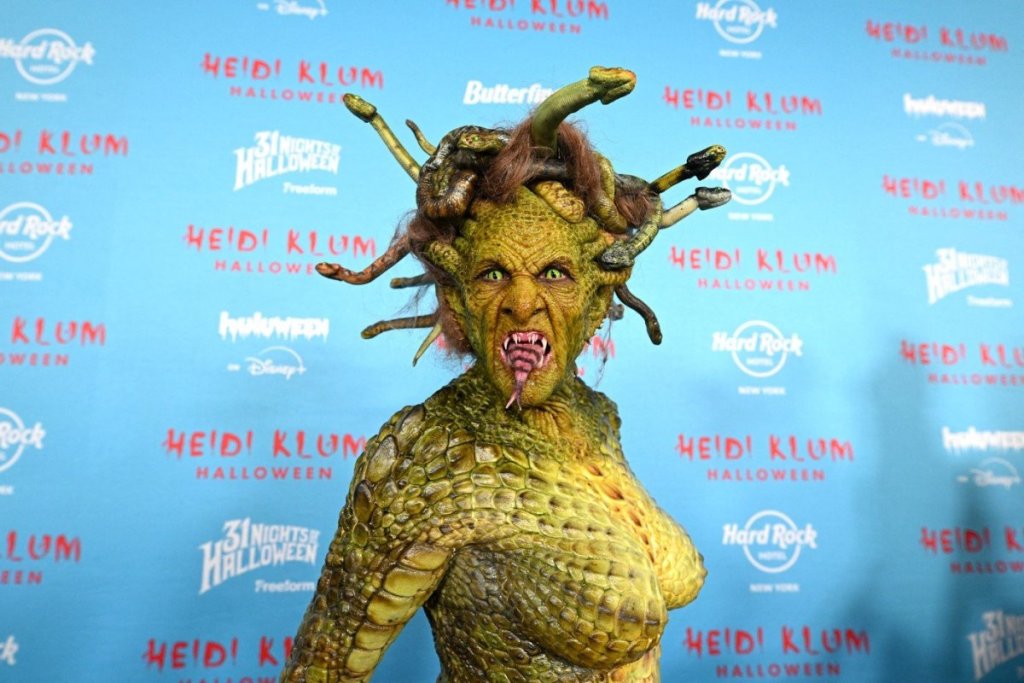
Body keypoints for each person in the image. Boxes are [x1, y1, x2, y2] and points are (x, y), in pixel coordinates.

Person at [282, 67, 730, 683]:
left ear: (597, 299)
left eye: (554, 274)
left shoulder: (595, 418)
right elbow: (324, 665)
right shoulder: (430, 452)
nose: (522, 302)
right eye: (493, 274)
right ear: (458, 297)